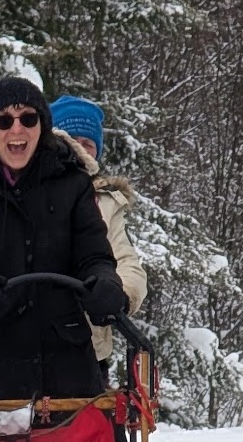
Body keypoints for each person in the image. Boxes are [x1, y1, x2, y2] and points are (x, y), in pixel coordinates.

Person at [0, 76, 130, 402]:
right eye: (4, 120)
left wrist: (105, 284)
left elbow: (95, 257)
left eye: (28, 118)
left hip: (67, 367)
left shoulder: (72, 184)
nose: (16, 130)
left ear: (41, 126)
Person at [49, 94, 147, 367]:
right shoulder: (21, 193)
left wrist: (119, 294)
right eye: (69, 140)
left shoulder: (105, 205)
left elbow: (127, 263)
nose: (79, 149)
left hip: (87, 349)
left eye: (87, 144)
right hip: (20, 351)